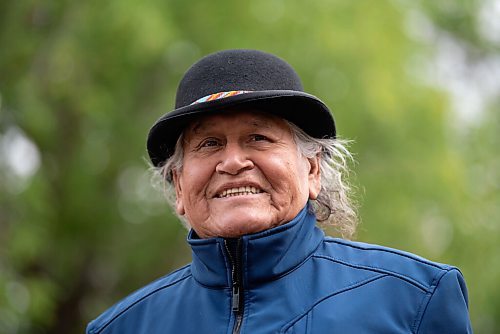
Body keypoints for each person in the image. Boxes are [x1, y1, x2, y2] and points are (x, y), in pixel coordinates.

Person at [86, 49, 472, 333]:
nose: (233, 161)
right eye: (209, 144)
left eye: (258, 137)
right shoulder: (123, 327)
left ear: (312, 169)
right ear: (179, 189)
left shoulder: (414, 299)